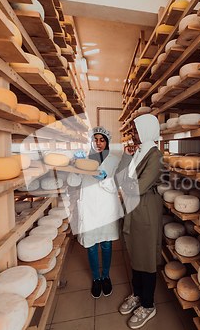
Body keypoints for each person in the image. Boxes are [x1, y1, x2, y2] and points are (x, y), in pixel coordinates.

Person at [115, 114, 163, 329]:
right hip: (132, 208)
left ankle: (148, 304)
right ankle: (137, 294)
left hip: (145, 210)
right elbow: (118, 177)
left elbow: (139, 187)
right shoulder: (137, 152)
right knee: (135, 253)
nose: (132, 134)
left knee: (146, 258)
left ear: (145, 131)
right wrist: (126, 157)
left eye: (135, 130)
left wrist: (124, 184)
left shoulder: (155, 155)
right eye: (133, 130)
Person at [73, 126, 123, 299]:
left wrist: (104, 179)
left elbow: (117, 185)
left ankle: (106, 276)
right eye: (95, 139)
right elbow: (73, 181)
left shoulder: (115, 160)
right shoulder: (84, 160)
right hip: (89, 207)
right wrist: (74, 164)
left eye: (102, 140)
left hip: (106, 207)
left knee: (107, 245)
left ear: (107, 142)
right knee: (92, 246)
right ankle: (96, 278)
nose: (98, 143)